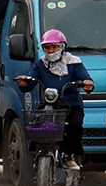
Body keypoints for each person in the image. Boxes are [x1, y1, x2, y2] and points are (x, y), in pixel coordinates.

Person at [16, 28, 94, 169]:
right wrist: (24, 82)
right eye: (47, 48)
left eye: (54, 47)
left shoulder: (74, 62)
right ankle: (39, 154)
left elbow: (85, 78)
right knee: (38, 124)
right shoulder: (40, 64)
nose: (51, 51)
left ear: (62, 47)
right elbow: (30, 81)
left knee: (75, 125)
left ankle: (68, 155)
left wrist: (87, 83)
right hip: (50, 103)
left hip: (72, 104)